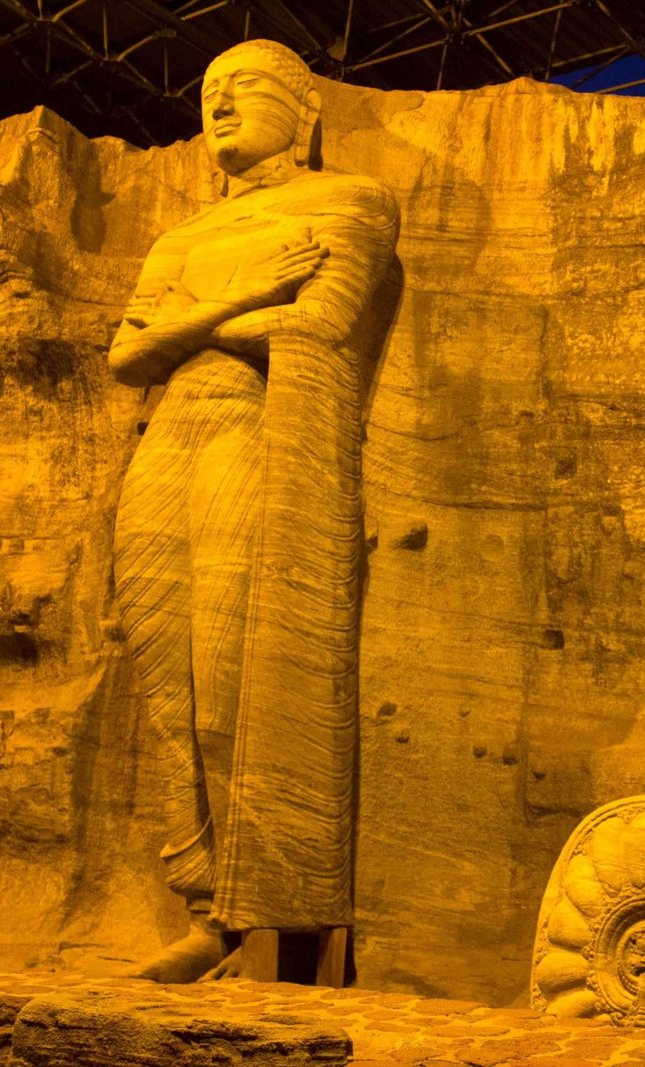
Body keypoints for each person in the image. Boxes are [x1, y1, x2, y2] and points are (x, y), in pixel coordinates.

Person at [110, 38, 398, 983]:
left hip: (251, 436)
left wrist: (188, 322)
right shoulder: (181, 237)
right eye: (208, 91)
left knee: (234, 677)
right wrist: (249, 292)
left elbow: (317, 325)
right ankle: (205, 913)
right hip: (166, 448)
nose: (220, 103)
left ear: (305, 111)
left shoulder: (350, 201)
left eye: (246, 87)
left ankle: (292, 916)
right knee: (165, 686)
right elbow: (126, 355)